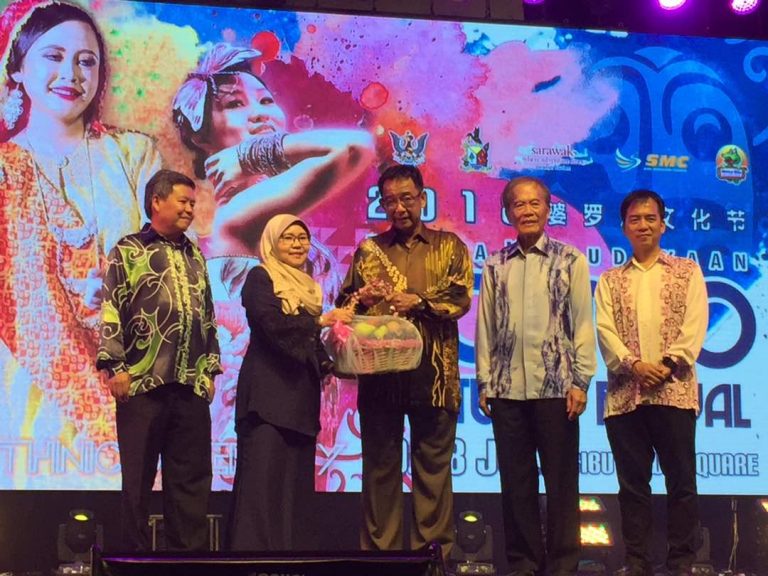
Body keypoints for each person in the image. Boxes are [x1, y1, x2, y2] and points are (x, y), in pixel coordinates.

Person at [0, 0, 162, 457]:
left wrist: (119, 286)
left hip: (129, 369)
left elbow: (172, 256)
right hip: (25, 387)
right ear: (18, 69)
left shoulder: (133, 155)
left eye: (86, 61)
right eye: (53, 56)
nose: (71, 74)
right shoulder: (5, 170)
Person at [337, 164, 473, 560]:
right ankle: (380, 562)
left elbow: (460, 299)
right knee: (380, 471)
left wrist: (420, 302)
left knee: (433, 473)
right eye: (390, 201)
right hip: (381, 376)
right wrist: (359, 300)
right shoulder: (369, 251)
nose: (399, 208)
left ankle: (431, 560)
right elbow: (343, 307)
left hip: (435, 377)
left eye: (407, 199)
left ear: (422, 198)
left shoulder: (450, 246)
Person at [172, 43, 374, 296]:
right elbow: (355, 148)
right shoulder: (236, 213)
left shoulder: (273, 206)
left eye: (266, 100)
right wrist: (247, 157)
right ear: (200, 136)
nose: (259, 114)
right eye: (235, 104)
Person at [475, 176, 596, 576]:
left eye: (534, 204)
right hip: (507, 390)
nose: (526, 211)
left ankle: (562, 565)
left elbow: (583, 323)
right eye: (518, 205)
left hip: (557, 389)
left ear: (548, 209)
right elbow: (485, 328)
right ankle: (523, 563)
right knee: (516, 484)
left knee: (561, 483)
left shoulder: (570, 260)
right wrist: (485, 381)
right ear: (508, 212)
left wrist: (580, 381)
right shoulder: (495, 264)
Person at [97, 169, 221, 551]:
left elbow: (207, 315)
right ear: (156, 201)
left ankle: (187, 562)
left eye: (192, 203)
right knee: (138, 480)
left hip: (189, 384)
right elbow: (112, 309)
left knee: (190, 480)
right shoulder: (129, 250)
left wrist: (209, 369)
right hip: (142, 382)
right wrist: (115, 367)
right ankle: (132, 562)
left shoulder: (195, 254)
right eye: (183, 201)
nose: (190, 209)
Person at [595, 190, 708, 576]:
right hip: (626, 397)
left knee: (681, 482)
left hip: (674, 393)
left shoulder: (686, 271)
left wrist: (667, 363)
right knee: (632, 486)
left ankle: (681, 561)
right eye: (635, 219)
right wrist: (634, 365)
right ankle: (637, 561)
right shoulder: (610, 280)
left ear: (663, 224)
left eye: (650, 218)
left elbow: (695, 323)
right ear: (624, 227)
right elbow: (605, 331)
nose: (643, 225)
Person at [228, 213, 354, 551]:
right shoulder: (260, 277)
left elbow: (310, 345)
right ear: (272, 242)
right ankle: (253, 564)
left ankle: (289, 562)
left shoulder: (309, 287)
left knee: (293, 493)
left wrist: (337, 364)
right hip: (267, 401)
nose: (298, 244)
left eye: (303, 238)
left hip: (300, 400)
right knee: (261, 488)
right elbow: (270, 325)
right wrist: (321, 321)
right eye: (288, 237)